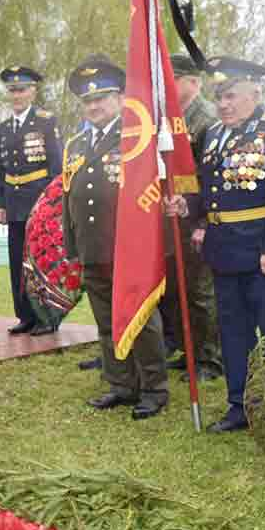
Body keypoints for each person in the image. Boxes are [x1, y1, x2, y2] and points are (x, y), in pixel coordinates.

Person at [165, 57, 265, 432]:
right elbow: (207, 189)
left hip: (264, 253)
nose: (223, 104)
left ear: (255, 93)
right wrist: (188, 206)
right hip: (223, 252)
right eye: (218, 97)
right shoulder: (212, 134)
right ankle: (240, 405)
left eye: (231, 96)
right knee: (234, 334)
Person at [63, 55, 168, 419]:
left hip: (128, 249)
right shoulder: (75, 143)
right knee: (106, 322)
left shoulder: (135, 137)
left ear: (121, 98)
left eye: (102, 98)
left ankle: (154, 388)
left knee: (141, 320)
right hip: (93, 247)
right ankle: (121, 384)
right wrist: (72, 246)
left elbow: (150, 194)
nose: (94, 106)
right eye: (88, 101)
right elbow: (68, 197)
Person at [159, 54, 223, 382]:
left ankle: (210, 359)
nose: (167, 87)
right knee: (177, 286)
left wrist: (202, 222)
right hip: (173, 213)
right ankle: (189, 350)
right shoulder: (169, 117)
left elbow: (209, 174)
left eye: (174, 80)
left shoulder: (207, 117)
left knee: (200, 290)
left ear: (193, 83)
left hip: (198, 215)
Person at [0, 65, 61, 335]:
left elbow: (56, 165)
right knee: (17, 263)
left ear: (33, 91)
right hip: (13, 203)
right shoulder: (4, 128)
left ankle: (46, 317)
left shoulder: (46, 121)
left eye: (22, 90)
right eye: (12, 91)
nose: (17, 95)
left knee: (40, 261)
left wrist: (53, 204)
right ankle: (25, 316)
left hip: (39, 201)